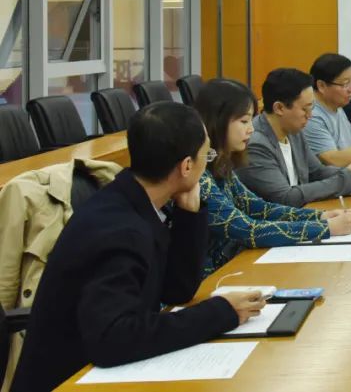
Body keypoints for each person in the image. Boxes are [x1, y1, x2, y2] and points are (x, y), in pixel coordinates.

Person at [12, 102, 263, 392]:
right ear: (186, 166)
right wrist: (221, 312)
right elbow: (112, 338)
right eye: (205, 155)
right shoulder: (119, 229)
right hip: (69, 381)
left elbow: (176, 290)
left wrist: (189, 215)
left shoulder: (134, 202)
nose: (207, 162)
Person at [195, 78, 351, 277]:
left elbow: (260, 208)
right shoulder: (199, 176)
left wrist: (319, 216)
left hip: (231, 268)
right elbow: (248, 230)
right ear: (218, 121)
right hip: (209, 280)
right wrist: (324, 228)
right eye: (244, 121)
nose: (251, 129)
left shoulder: (221, 165)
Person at [236, 68, 351, 206]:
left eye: (312, 107)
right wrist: (347, 179)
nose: (310, 115)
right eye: (305, 109)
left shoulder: (293, 132)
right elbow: (285, 197)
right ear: (279, 108)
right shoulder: (255, 144)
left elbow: (317, 171)